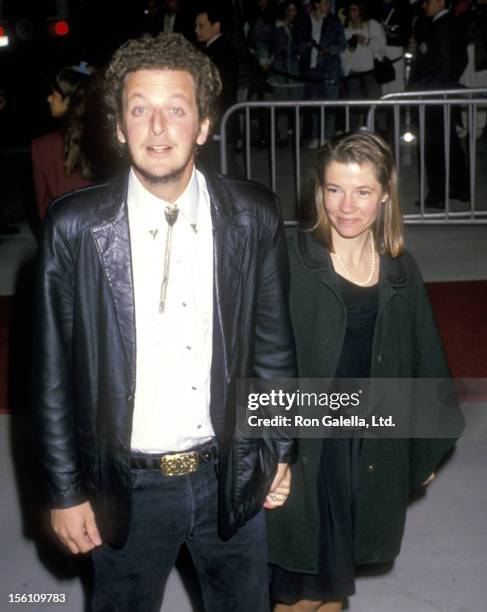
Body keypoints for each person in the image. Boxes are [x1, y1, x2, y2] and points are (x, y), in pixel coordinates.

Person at [33, 32, 296, 612]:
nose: (158, 128)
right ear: (119, 128)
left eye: (176, 109)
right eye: (140, 110)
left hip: (230, 471)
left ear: (203, 125)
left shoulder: (253, 215)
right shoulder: (74, 228)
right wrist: (65, 490)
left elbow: (273, 348)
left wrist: (279, 450)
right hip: (123, 486)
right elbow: (51, 375)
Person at [267, 131, 464, 611]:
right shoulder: (290, 262)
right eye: (334, 189)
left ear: (385, 195)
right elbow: (261, 360)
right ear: (320, 192)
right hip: (305, 449)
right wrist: (270, 454)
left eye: (362, 191)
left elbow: (423, 361)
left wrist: (422, 448)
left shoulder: (399, 268)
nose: (346, 206)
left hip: (368, 444)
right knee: (297, 594)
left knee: (336, 585)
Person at [408, 0, 469, 207]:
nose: (425, 6)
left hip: (434, 97)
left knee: (433, 146)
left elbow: (443, 65)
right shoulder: (451, 24)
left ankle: (437, 195)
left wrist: (423, 89)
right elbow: (459, 60)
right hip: (443, 94)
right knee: (449, 142)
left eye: (427, 1)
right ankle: (461, 188)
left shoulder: (441, 27)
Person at [31, 64, 105, 221]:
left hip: (64, 235)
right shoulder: (110, 139)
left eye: (54, 94)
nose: (49, 98)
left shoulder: (42, 147)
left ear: (70, 101)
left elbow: (44, 208)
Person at [294, 0, 346, 149]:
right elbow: (296, 43)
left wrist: (329, 50)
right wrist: (305, 45)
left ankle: (327, 138)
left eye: (329, 3)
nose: (328, 6)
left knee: (330, 106)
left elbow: (342, 44)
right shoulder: (304, 21)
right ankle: (317, 136)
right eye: (325, 3)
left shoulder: (333, 21)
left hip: (330, 69)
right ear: (316, 4)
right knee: (314, 105)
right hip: (311, 69)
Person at [340, 2, 387, 128]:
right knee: (353, 109)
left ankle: (382, 135)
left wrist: (365, 40)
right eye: (350, 10)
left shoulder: (372, 25)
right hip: (353, 73)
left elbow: (382, 46)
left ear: (361, 10)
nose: (352, 13)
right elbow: (342, 53)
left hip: (371, 72)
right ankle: (353, 137)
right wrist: (349, 49)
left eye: (355, 10)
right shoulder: (345, 29)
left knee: (376, 106)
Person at [268, 1, 305, 146]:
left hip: (297, 73)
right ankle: (282, 135)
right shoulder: (274, 27)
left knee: (298, 107)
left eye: (294, 10)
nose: (291, 13)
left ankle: (298, 136)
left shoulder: (301, 26)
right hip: (280, 73)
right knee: (281, 107)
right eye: (288, 10)